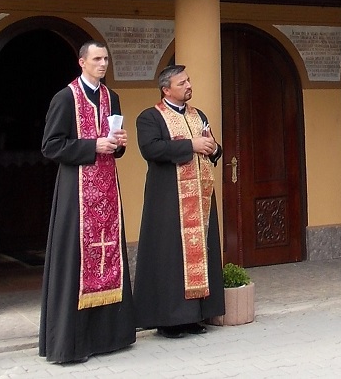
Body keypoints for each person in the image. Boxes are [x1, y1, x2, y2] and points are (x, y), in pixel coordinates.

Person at [39, 41, 136, 363]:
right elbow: (52, 146)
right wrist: (94, 145)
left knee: (110, 258)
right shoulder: (65, 97)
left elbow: (115, 146)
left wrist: (118, 144)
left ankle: (111, 337)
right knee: (76, 262)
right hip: (76, 194)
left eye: (106, 58)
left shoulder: (112, 97)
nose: (102, 64)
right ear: (82, 62)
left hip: (107, 191)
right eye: (96, 59)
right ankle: (72, 342)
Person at [134, 64, 224, 336]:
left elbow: (211, 146)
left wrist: (214, 148)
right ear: (166, 89)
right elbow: (151, 148)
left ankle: (194, 315)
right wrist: (191, 146)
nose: (188, 85)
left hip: (200, 196)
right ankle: (168, 320)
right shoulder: (150, 117)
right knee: (169, 257)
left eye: (188, 80)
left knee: (200, 255)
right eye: (182, 82)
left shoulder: (198, 115)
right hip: (169, 199)